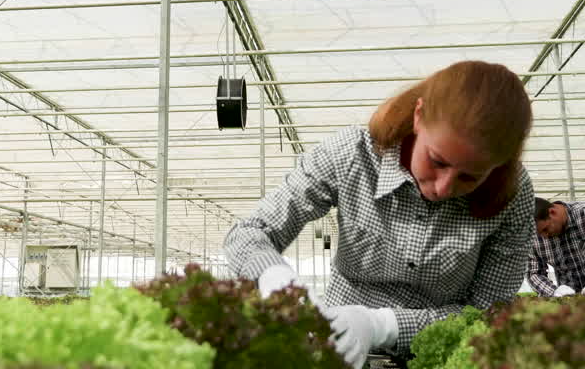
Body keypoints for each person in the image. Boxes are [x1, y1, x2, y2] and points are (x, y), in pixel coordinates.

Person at [224, 61, 535, 368]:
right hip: (338, 341)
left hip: (438, 353)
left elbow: (489, 311)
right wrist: (275, 278)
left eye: (469, 177)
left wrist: (382, 325)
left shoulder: (513, 194)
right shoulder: (351, 156)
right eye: (437, 161)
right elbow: (250, 232)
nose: (443, 187)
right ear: (418, 117)